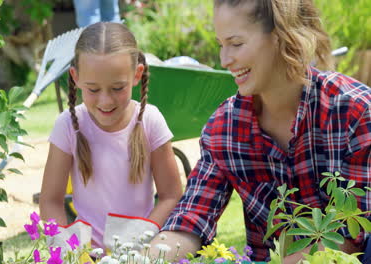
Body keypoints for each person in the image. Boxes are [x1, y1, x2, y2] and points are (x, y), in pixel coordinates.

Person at [150, 0, 370, 263]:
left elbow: (347, 236)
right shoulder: (225, 128)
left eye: (236, 44)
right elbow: (192, 217)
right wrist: (142, 258)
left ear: (281, 36)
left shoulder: (353, 111)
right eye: (221, 45)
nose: (225, 60)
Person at [39, 22, 182, 250]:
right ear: (75, 77)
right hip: (87, 255)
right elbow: (50, 201)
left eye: (117, 88)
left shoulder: (150, 121)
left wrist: (141, 238)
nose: (105, 101)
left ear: (137, 75)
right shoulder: (67, 125)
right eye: (93, 89)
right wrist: (66, 251)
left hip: (138, 253)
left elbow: (171, 195)